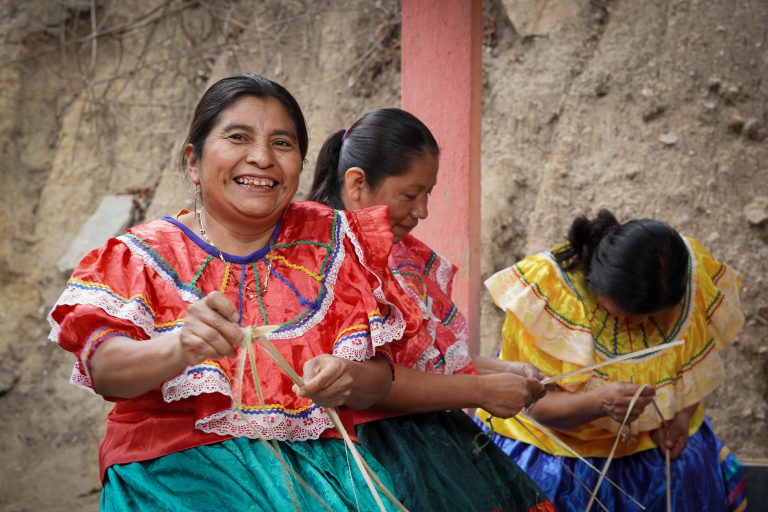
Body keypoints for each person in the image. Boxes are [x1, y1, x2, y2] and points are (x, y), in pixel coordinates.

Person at [48, 74, 423, 511]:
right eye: (238, 137)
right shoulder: (142, 256)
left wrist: (348, 377)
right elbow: (106, 369)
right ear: (193, 161)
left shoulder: (336, 242)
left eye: (282, 143)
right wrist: (180, 347)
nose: (262, 158)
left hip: (321, 473)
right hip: (178, 475)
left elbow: (378, 377)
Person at [308, 108, 555, 511]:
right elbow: (371, 383)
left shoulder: (390, 250)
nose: (422, 210)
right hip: (368, 453)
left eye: (428, 194)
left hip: (423, 435)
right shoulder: (324, 255)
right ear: (357, 184)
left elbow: (417, 358)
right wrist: (482, 390)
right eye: (410, 194)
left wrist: (500, 369)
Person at [475, 209, 748, 511]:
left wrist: (680, 416)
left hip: (659, 461)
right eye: (630, 314)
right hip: (563, 464)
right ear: (599, 285)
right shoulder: (549, 301)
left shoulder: (684, 279)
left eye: (653, 315)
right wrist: (599, 402)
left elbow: (693, 369)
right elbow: (534, 404)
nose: (642, 323)